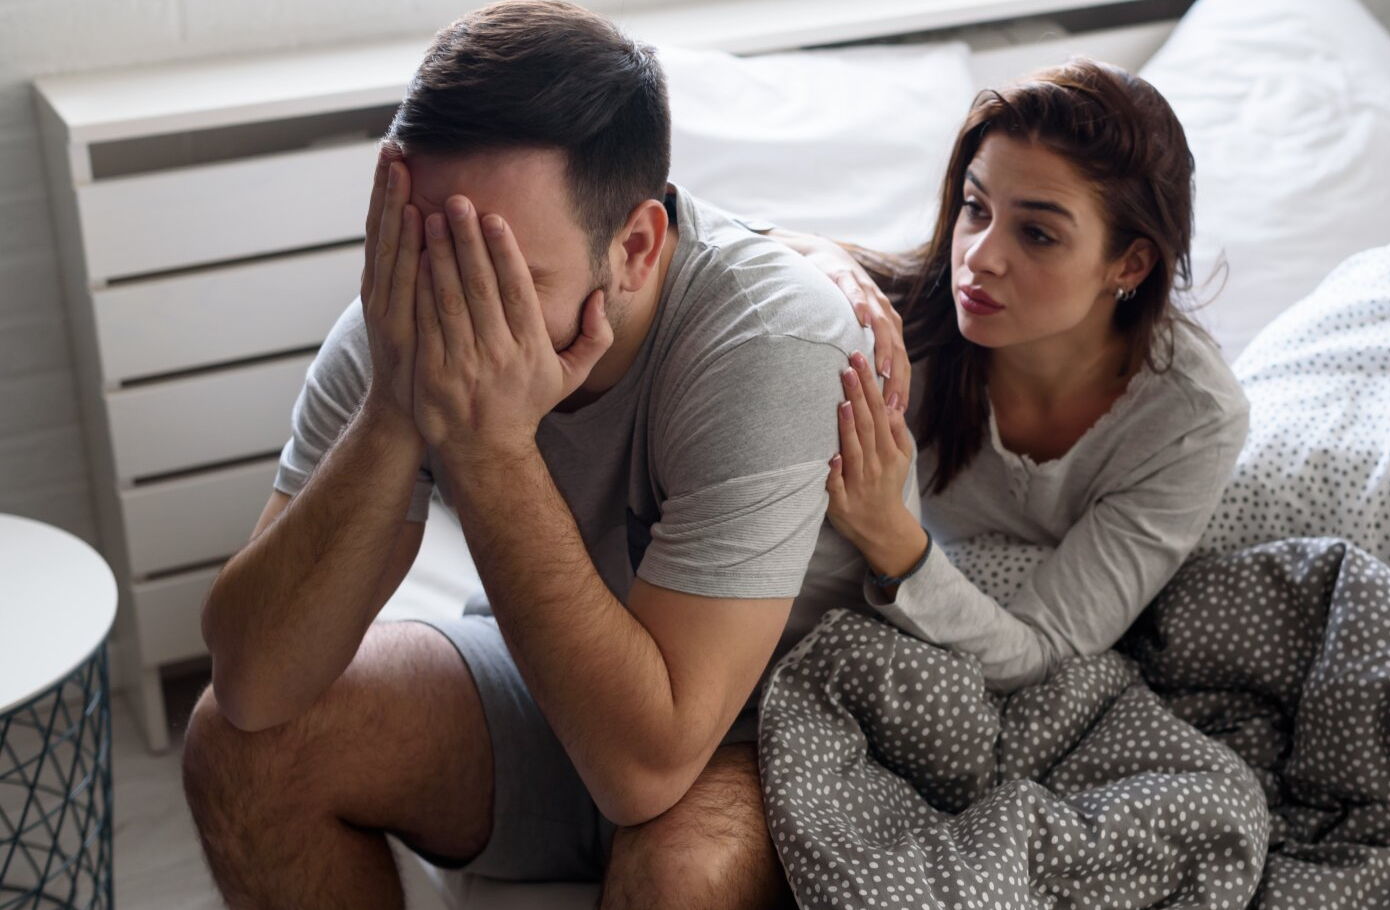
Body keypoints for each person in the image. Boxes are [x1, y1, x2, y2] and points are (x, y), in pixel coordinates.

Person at [179, 2, 879, 907]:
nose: (455, 311)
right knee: (236, 749)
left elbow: (645, 770)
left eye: (505, 279)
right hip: (548, 687)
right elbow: (252, 684)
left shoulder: (767, 339)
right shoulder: (400, 326)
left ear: (634, 248)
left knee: (680, 873)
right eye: (431, 254)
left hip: (759, 722)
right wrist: (395, 407)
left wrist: (493, 450)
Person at [767, 58, 1249, 691]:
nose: (980, 258)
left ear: (1129, 264)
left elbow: (1042, 652)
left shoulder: (1191, 420)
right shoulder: (904, 315)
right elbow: (706, 232)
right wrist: (828, 258)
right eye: (975, 207)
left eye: (1038, 234)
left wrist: (888, 533)